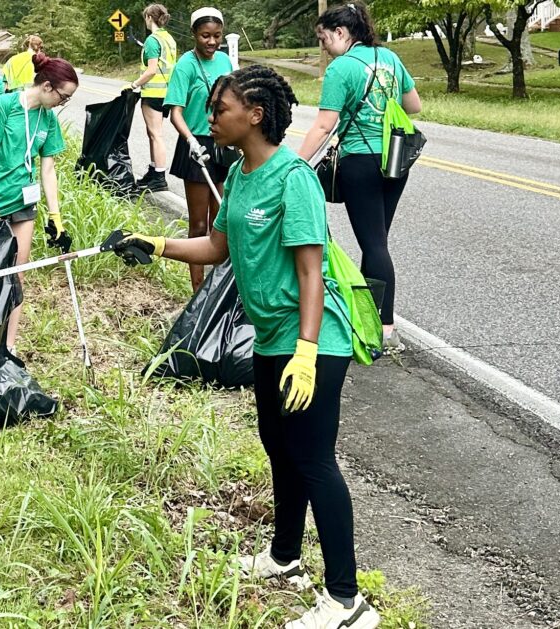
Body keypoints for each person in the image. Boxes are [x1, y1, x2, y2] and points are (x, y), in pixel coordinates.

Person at [109, 65, 381, 629]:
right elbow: (216, 247)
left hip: (313, 337)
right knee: (279, 450)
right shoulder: (237, 174)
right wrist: (152, 243)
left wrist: (306, 353)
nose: (211, 117)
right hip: (271, 337)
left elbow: (312, 272)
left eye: (220, 108)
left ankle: (346, 600)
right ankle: (285, 558)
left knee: (313, 460)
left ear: (255, 115)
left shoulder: (292, 178)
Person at [296, 1, 420, 353]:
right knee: (376, 241)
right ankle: (370, 320)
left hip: (360, 161)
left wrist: (296, 163)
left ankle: (385, 328)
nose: (323, 46)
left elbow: (324, 125)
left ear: (341, 32)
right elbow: (414, 106)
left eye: (324, 38)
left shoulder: (342, 68)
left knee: (374, 245)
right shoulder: (390, 59)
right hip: (395, 160)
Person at [0, 54, 78, 354]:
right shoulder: (5, 105)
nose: (63, 103)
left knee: (16, 274)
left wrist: (56, 215)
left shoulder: (48, 119)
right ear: (48, 86)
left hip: (23, 201)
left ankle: (8, 346)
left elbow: (47, 169)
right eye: (63, 96)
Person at [164, 6, 235, 291]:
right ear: (194, 34)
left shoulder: (226, 62)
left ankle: (217, 290)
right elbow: (175, 112)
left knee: (222, 224)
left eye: (217, 36)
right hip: (195, 145)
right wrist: (190, 139)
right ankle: (197, 291)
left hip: (222, 143)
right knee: (198, 226)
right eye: (205, 35)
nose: (212, 42)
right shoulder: (186, 65)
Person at [124, 3, 178, 193]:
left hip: (154, 93)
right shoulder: (169, 39)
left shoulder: (152, 40)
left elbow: (152, 70)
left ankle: (159, 177)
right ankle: (154, 170)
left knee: (155, 134)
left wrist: (134, 84)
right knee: (154, 134)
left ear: (149, 18)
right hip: (166, 93)